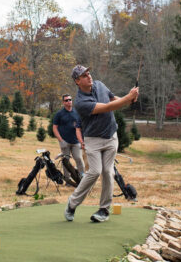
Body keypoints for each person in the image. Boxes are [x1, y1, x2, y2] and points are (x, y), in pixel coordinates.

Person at [64, 65, 138, 223]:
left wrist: (129, 99)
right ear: (77, 81)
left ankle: (104, 209)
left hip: (111, 136)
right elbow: (108, 107)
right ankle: (72, 203)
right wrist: (127, 98)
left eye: (89, 73)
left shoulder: (100, 85)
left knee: (108, 172)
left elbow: (112, 99)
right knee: (95, 171)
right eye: (84, 76)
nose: (89, 77)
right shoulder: (81, 102)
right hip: (93, 140)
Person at [53, 93, 85, 176]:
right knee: (66, 161)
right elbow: (55, 128)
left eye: (70, 100)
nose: (69, 101)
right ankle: (67, 180)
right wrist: (61, 140)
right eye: (66, 100)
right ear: (63, 102)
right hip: (65, 141)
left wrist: (82, 140)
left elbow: (81, 126)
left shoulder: (77, 113)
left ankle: (82, 178)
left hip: (76, 141)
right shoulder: (59, 114)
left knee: (79, 159)